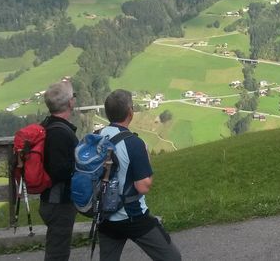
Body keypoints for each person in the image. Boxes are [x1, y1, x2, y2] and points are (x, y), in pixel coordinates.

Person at [97, 89, 182, 260]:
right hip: (132, 215)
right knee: (172, 258)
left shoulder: (96, 136)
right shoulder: (134, 143)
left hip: (104, 215)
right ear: (130, 112)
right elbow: (143, 186)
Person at [40, 81, 79, 261]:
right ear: (70, 102)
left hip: (50, 199)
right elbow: (59, 171)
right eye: (74, 96)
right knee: (58, 254)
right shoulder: (60, 133)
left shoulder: (48, 125)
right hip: (58, 202)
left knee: (57, 249)